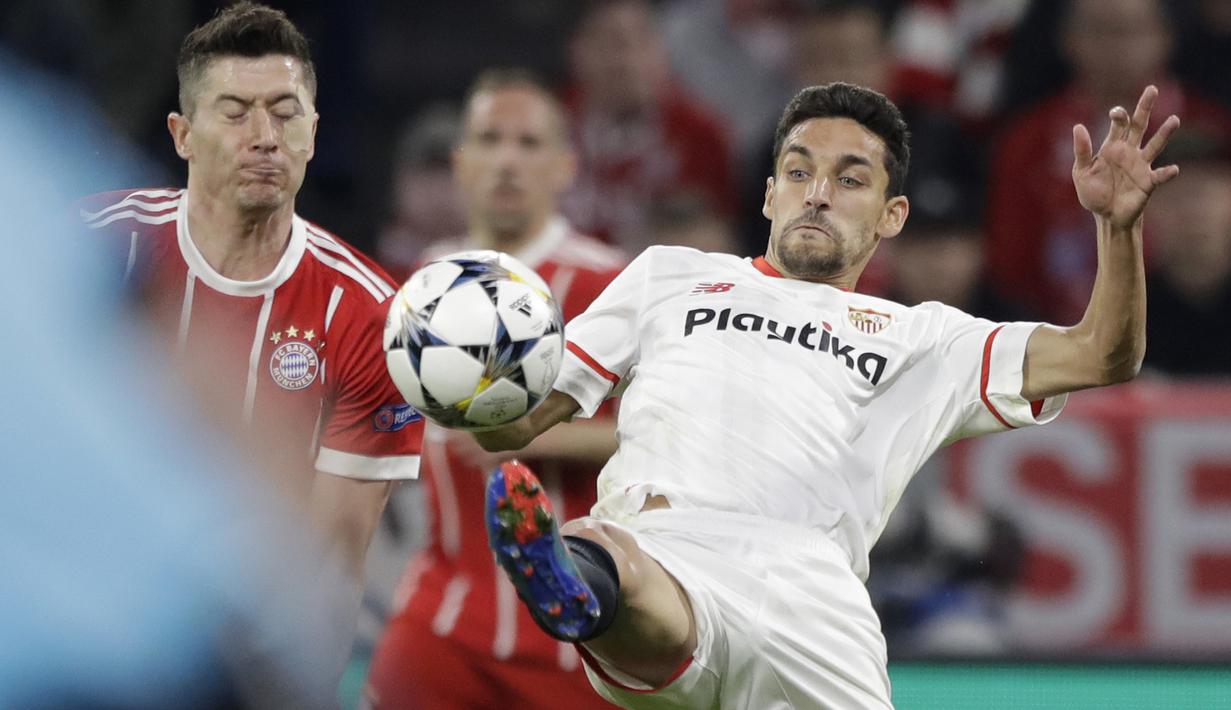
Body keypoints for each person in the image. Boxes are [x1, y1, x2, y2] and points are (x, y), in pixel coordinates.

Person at [474, 80, 1180, 708]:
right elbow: (512, 428)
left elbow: (1101, 355)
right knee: (607, 552)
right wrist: (467, 393)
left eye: (849, 180)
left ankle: (580, 581)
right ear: (769, 194)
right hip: (668, 543)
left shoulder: (924, 338)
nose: (816, 192)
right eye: (798, 171)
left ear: (891, 214)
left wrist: (1118, 230)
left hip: (813, 592)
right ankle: (574, 583)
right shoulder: (668, 275)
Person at [75, 1, 422, 679]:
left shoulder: (369, 312)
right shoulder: (84, 247)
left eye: (285, 113)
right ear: (182, 134)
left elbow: (334, 554)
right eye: (235, 112)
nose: (264, 136)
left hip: (246, 658)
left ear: (314, 133)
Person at [364, 69, 625, 710]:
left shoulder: (612, 286)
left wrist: (533, 435)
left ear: (565, 166)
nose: (508, 160)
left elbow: (661, 434)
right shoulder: (420, 289)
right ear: (461, 162)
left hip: (581, 641)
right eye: (489, 139)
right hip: (444, 617)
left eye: (529, 143)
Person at [987, 0, 1231, 323]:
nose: (1116, 47)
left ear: (1167, 36)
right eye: (1099, 31)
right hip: (1055, 330)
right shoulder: (1028, 141)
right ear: (1067, 38)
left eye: (1131, 31)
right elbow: (1009, 264)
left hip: (1181, 323)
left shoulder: (1213, 129)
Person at [559, 0, 739, 255]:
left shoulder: (700, 135)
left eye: (639, 40)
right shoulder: (545, 126)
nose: (624, 60)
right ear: (576, 50)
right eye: (609, 42)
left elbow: (718, 244)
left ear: (661, 48)